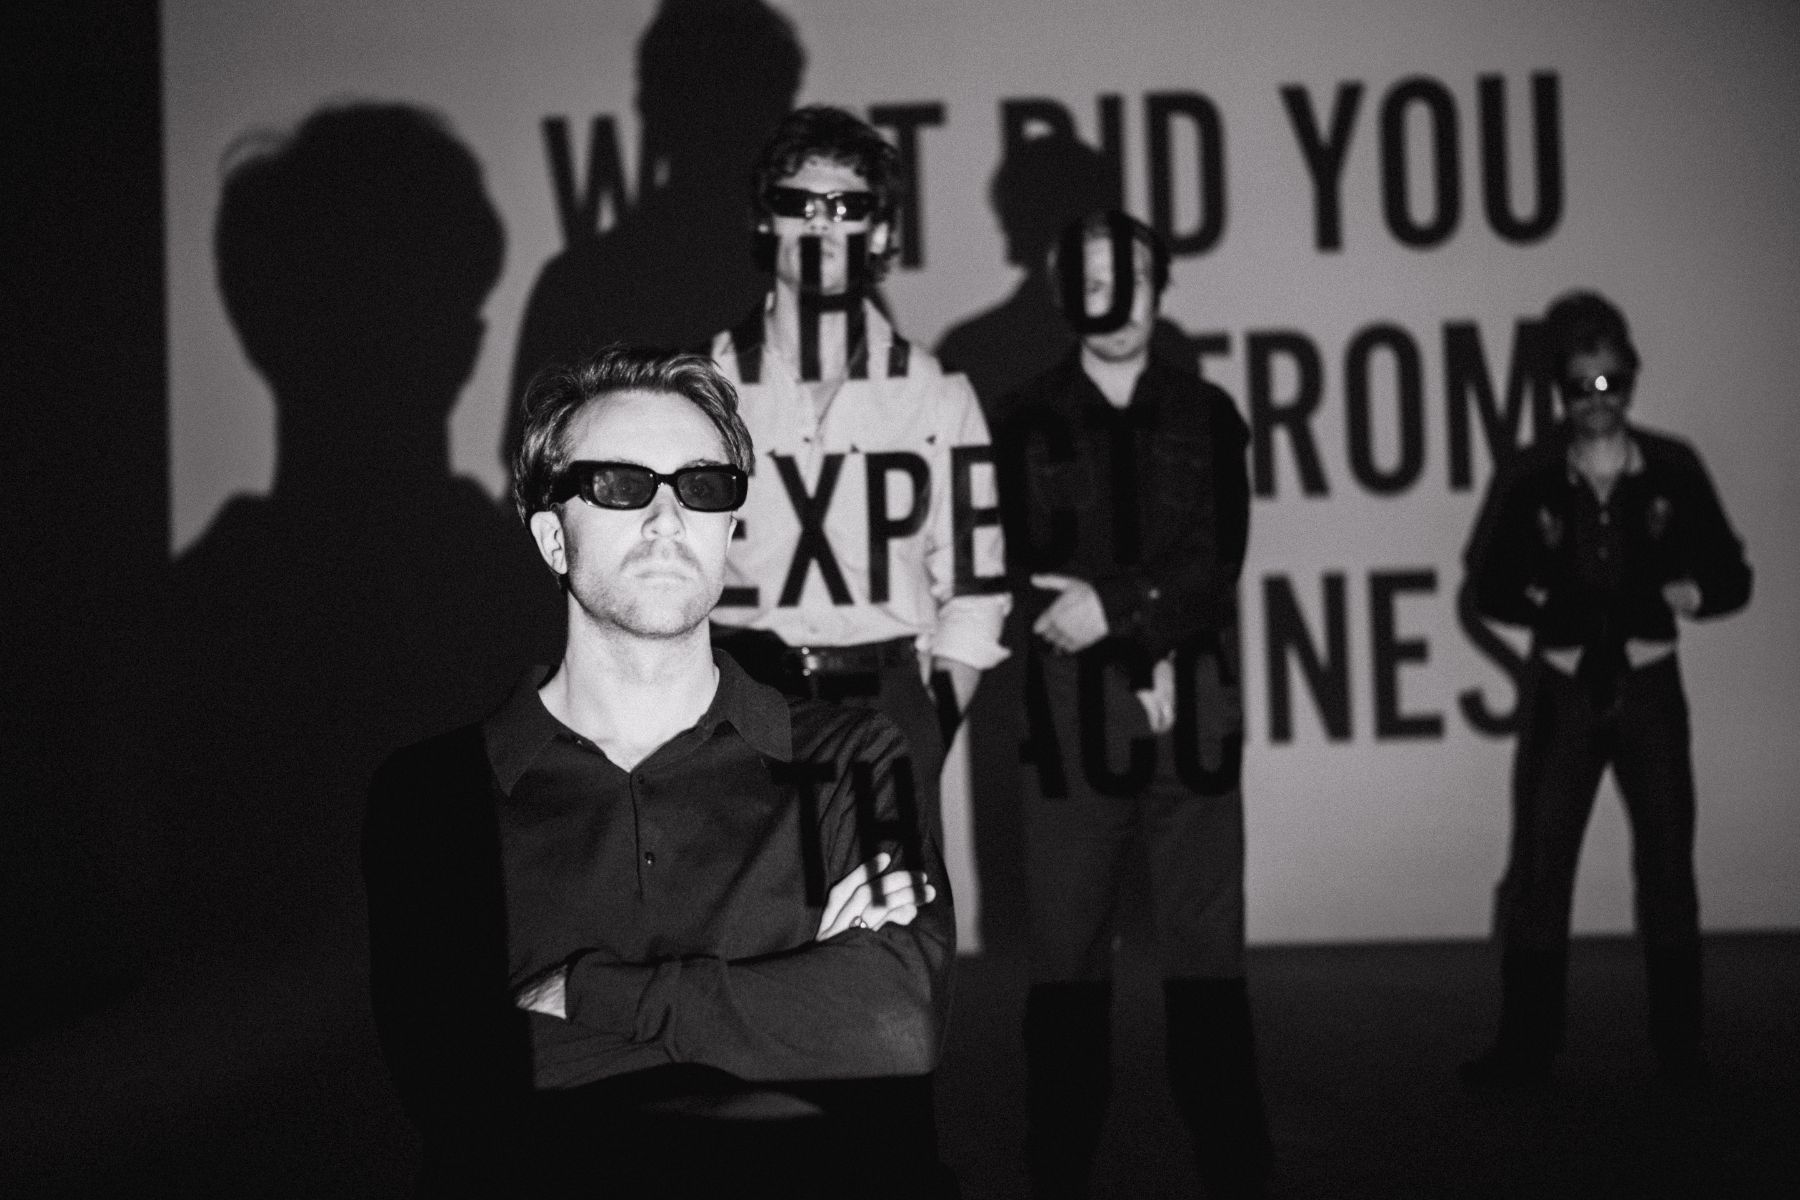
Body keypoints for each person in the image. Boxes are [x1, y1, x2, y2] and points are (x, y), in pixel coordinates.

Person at [363, 346, 956, 1197]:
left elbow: (894, 1025)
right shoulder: (434, 796)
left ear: (730, 530)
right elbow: (460, 1086)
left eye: (703, 486)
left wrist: (586, 993)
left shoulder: (852, 758)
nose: (668, 518)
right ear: (552, 537)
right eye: (621, 485)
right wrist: (790, 1025)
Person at [995, 211, 1269, 1199]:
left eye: (1132, 278)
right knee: (1065, 955)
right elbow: (1021, 568)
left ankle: (1234, 1165)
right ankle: (1059, 1166)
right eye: (1094, 279)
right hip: (1071, 716)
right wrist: (1123, 622)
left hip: (1195, 700)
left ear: (1160, 289)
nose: (1114, 299)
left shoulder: (1207, 412)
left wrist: (1114, 607)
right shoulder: (1019, 416)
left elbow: (1217, 563)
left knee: (1207, 952)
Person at [1460, 290, 1752, 1088]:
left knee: (1668, 867)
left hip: (1650, 684)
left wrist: (1694, 593)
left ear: (1631, 380)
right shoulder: (1532, 479)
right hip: (1564, 690)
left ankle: (1681, 1050)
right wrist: (1543, 605)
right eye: (1581, 386)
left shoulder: (1673, 469)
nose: (1597, 400)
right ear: (1560, 388)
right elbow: (1487, 585)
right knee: (1541, 867)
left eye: (1610, 383)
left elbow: (1733, 575)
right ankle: (1527, 1048)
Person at [707, 104, 1010, 845]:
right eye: (798, 203)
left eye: (845, 206)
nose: (820, 225)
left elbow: (976, 587)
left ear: (878, 232)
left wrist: (927, 727)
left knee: (891, 918)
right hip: (739, 698)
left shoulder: (935, 394)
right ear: (766, 221)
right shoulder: (702, 386)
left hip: (886, 699)